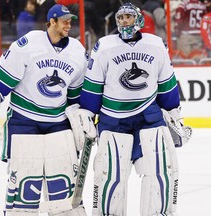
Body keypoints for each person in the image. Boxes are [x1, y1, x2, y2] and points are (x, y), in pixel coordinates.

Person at [0, 4, 96, 216]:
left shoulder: (76, 51)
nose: (68, 24)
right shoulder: (28, 44)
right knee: (25, 186)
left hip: (58, 121)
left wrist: (81, 112)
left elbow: (75, 95)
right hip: (24, 120)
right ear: (52, 21)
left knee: (63, 185)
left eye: (70, 20)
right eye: (64, 20)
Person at [79, 2, 192, 216]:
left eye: (128, 17)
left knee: (159, 171)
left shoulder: (156, 45)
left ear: (138, 19)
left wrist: (174, 112)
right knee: (111, 175)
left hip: (148, 116)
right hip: (113, 119)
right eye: (120, 18)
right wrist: (88, 112)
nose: (123, 21)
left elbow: (166, 83)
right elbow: (93, 85)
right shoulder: (104, 46)